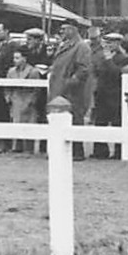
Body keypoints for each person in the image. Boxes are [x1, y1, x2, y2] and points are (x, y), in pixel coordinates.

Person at [46, 19, 93, 160]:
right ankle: (59, 150)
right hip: (59, 88)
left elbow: (83, 70)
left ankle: (77, 152)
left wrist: (69, 82)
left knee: (75, 120)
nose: (62, 31)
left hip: (72, 92)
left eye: (65, 28)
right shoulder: (64, 45)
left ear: (73, 29)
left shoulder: (81, 47)